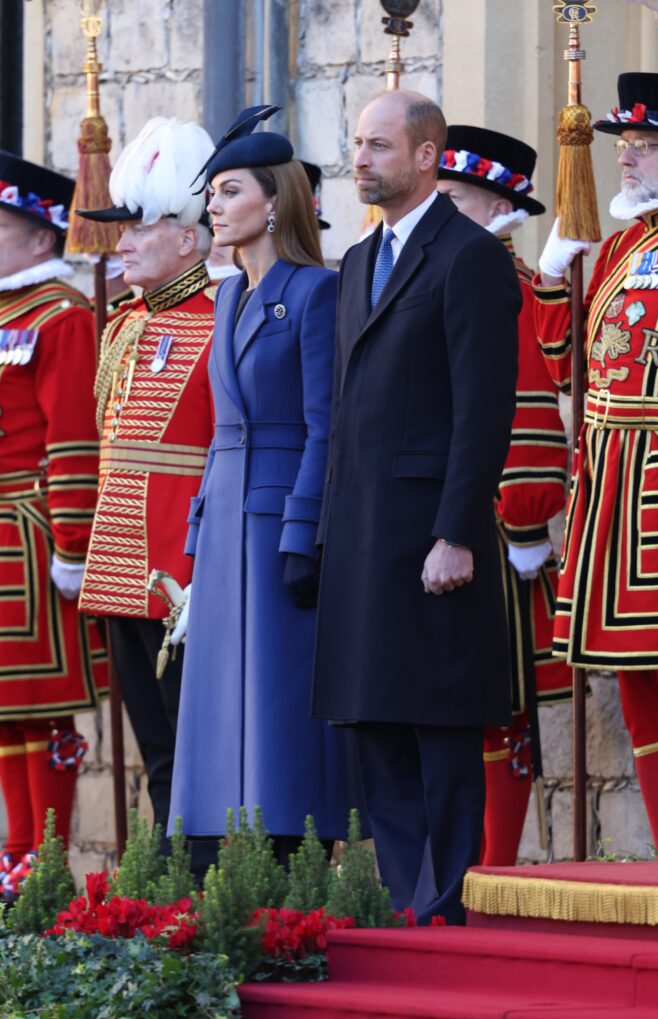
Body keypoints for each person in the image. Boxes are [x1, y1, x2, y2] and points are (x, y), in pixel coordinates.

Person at [312, 91, 521, 922]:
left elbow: (482, 408)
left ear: (427, 155)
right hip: (362, 533)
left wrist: (455, 532)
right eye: (356, 145)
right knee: (371, 724)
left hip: (429, 533)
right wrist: (329, 532)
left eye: (377, 146)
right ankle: (408, 902)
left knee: (435, 722)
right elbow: (344, 407)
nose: (358, 160)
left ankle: (447, 899)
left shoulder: (467, 256)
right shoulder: (359, 262)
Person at [168, 105, 364, 863]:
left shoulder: (314, 292)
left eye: (228, 190)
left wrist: (302, 532)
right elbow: (222, 428)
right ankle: (217, 853)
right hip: (225, 520)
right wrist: (196, 531)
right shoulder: (225, 297)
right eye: (211, 194)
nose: (213, 206)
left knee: (277, 704)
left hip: (279, 517)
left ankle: (290, 851)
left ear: (274, 201)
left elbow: (325, 425)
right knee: (217, 702)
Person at [534, 73, 658, 857]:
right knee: (634, 685)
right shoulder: (623, 243)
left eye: (647, 147)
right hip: (610, 481)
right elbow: (563, 363)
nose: (627, 161)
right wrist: (553, 278)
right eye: (625, 146)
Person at [77, 117, 217, 873]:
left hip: (181, 574)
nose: (121, 242)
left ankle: (196, 886)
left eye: (139, 227)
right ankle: (161, 885)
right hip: (118, 567)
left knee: (195, 749)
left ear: (189, 239)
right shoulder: (124, 326)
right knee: (155, 753)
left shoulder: (223, 320)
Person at [437, 126, 571, 866]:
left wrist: (522, 525)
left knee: (495, 703)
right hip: (425, 518)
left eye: (452, 199)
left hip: (486, 527)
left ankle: (490, 863)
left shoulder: (504, 283)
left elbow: (522, 409)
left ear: (495, 204)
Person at [0, 152, 106, 898]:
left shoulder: (62, 316)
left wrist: (73, 543)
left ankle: (46, 858)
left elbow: (73, 437)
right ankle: (14, 855)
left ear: (40, 238)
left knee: (40, 708)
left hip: (31, 531)